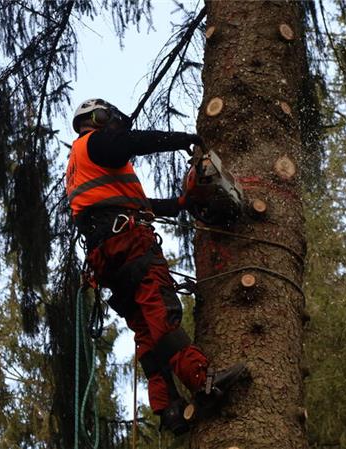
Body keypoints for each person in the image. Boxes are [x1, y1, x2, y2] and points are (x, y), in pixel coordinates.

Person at [66, 98, 244, 435]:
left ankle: (170, 409)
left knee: (146, 331)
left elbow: (133, 203)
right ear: (98, 119)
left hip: (107, 259)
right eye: (111, 120)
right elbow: (134, 143)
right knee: (160, 311)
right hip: (130, 245)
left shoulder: (81, 163)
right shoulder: (97, 142)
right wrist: (184, 140)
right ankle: (202, 380)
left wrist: (179, 204)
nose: (117, 128)